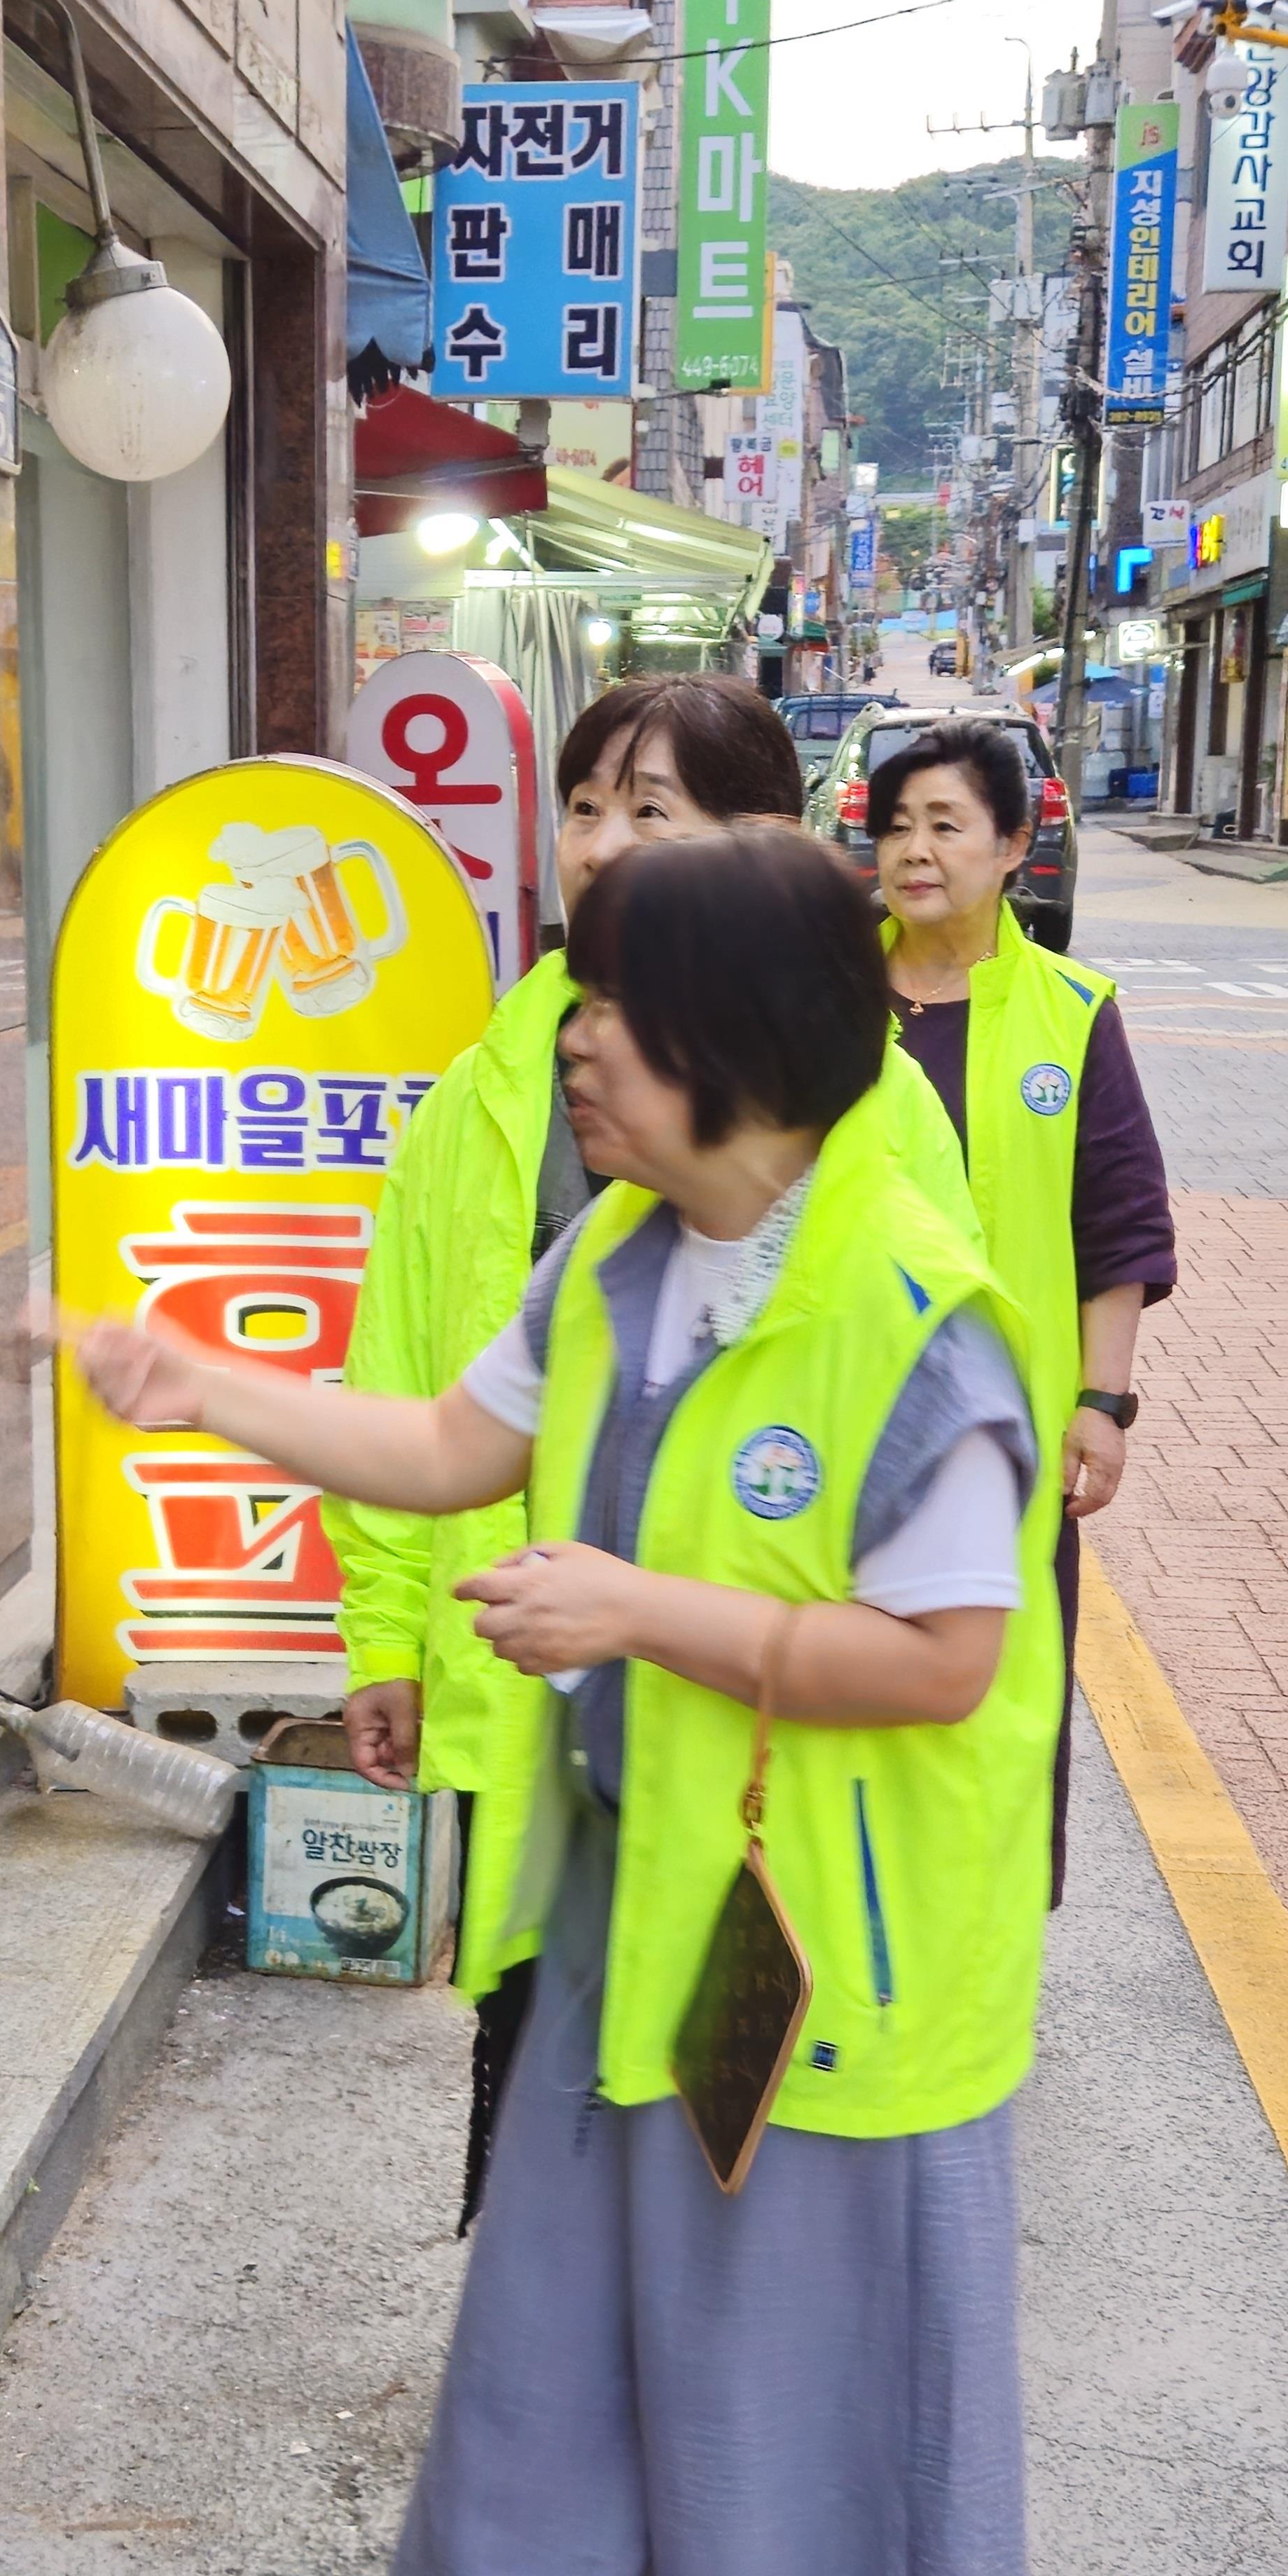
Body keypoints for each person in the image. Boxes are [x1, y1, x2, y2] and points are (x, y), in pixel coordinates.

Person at [74, 828, 1074, 2576]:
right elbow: (451, 1444)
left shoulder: (918, 1315)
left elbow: (949, 1660)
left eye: (615, 1007)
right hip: (642, 1906)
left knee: (795, 2393)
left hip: (831, 1959)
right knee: (552, 2335)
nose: (577, 1040)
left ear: (741, 1050)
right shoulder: (616, 1251)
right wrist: (202, 1387)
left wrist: (639, 1610)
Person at [331, 670, 946, 2221]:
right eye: (585, 805)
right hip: (535, 1691)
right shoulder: (491, 1082)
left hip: (765, 1731)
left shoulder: (870, 1105)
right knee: (539, 2068)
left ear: (765, 842)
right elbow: (408, 1374)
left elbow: (911, 1449)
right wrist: (384, 1633)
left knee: (739, 2104)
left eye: (649, 810)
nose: (601, 844)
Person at [867, 714, 1176, 1898]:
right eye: (897, 826)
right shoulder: (824, 993)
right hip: (843, 1416)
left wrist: (1101, 1402)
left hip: (1010, 1438)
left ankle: (979, 1936)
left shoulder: (1071, 1011)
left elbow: (1119, 1225)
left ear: (1013, 845)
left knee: (1001, 1693)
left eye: (947, 824)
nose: (916, 851)